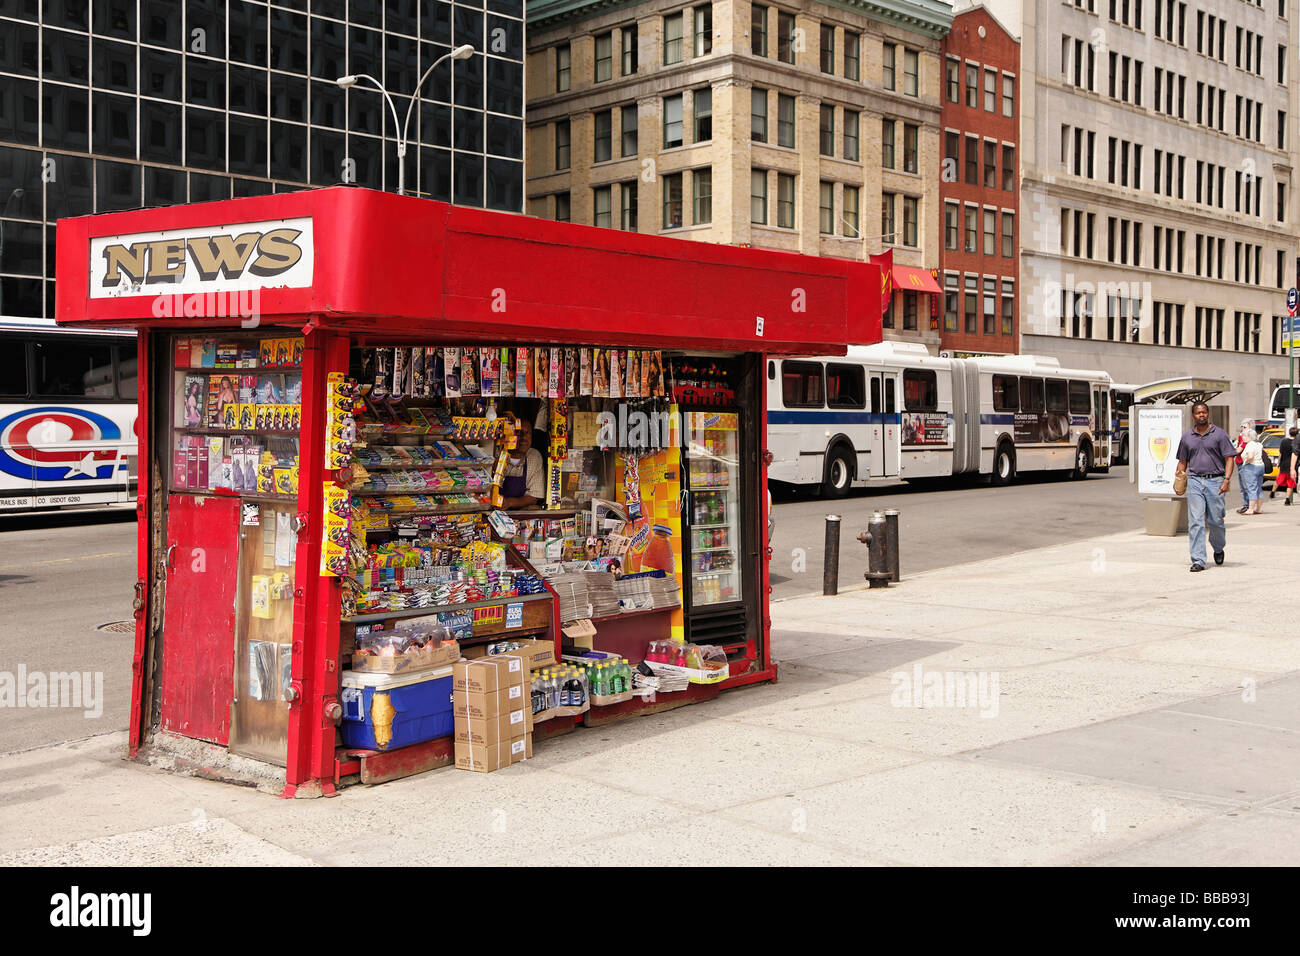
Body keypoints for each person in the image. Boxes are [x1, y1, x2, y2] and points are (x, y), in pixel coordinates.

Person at [1174, 401, 1237, 572]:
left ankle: (1218, 547)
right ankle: (1198, 559)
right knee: (1196, 521)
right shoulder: (1187, 437)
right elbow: (1182, 461)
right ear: (1193, 415)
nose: (1201, 415)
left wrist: (1226, 480)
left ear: (1208, 414)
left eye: (1204, 412)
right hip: (1194, 481)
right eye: (1197, 413)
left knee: (1215, 520)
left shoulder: (1220, 435)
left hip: (1215, 481)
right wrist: (1179, 479)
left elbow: (1229, 459)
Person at [501, 416, 546, 509]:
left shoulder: (534, 456)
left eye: (527, 433)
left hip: (520, 513)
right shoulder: (498, 454)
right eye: (518, 432)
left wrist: (509, 502)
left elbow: (534, 496)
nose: (524, 437)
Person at [1238, 428, 1265, 515]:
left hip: (1251, 467)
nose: (1243, 438)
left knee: (1251, 488)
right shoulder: (1259, 444)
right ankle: (1259, 508)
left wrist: (1246, 462)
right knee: (1259, 488)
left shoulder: (1250, 445)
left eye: (1245, 436)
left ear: (1249, 436)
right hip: (1260, 466)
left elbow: (1250, 456)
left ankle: (1250, 509)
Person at [1232, 418, 1253, 514]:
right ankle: (1247, 505)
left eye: (1245, 427)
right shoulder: (1241, 438)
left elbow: (1238, 450)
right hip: (1240, 463)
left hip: (1244, 464)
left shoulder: (1247, 440)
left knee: (1245, 486)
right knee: (1243, 487)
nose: (1242, 429)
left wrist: (1228, 452)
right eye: (1242, 427)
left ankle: (1248, 505)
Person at [1273, 427, 1296, 505]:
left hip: (1283, 464)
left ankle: (1273, 492)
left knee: (1279, 479)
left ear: (1289, 433)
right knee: (1290, 482)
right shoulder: (1296, 443)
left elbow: (1281, 453)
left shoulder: (1284, 441)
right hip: (1293, 465)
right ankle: (1287, 499)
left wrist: (1278, 462)